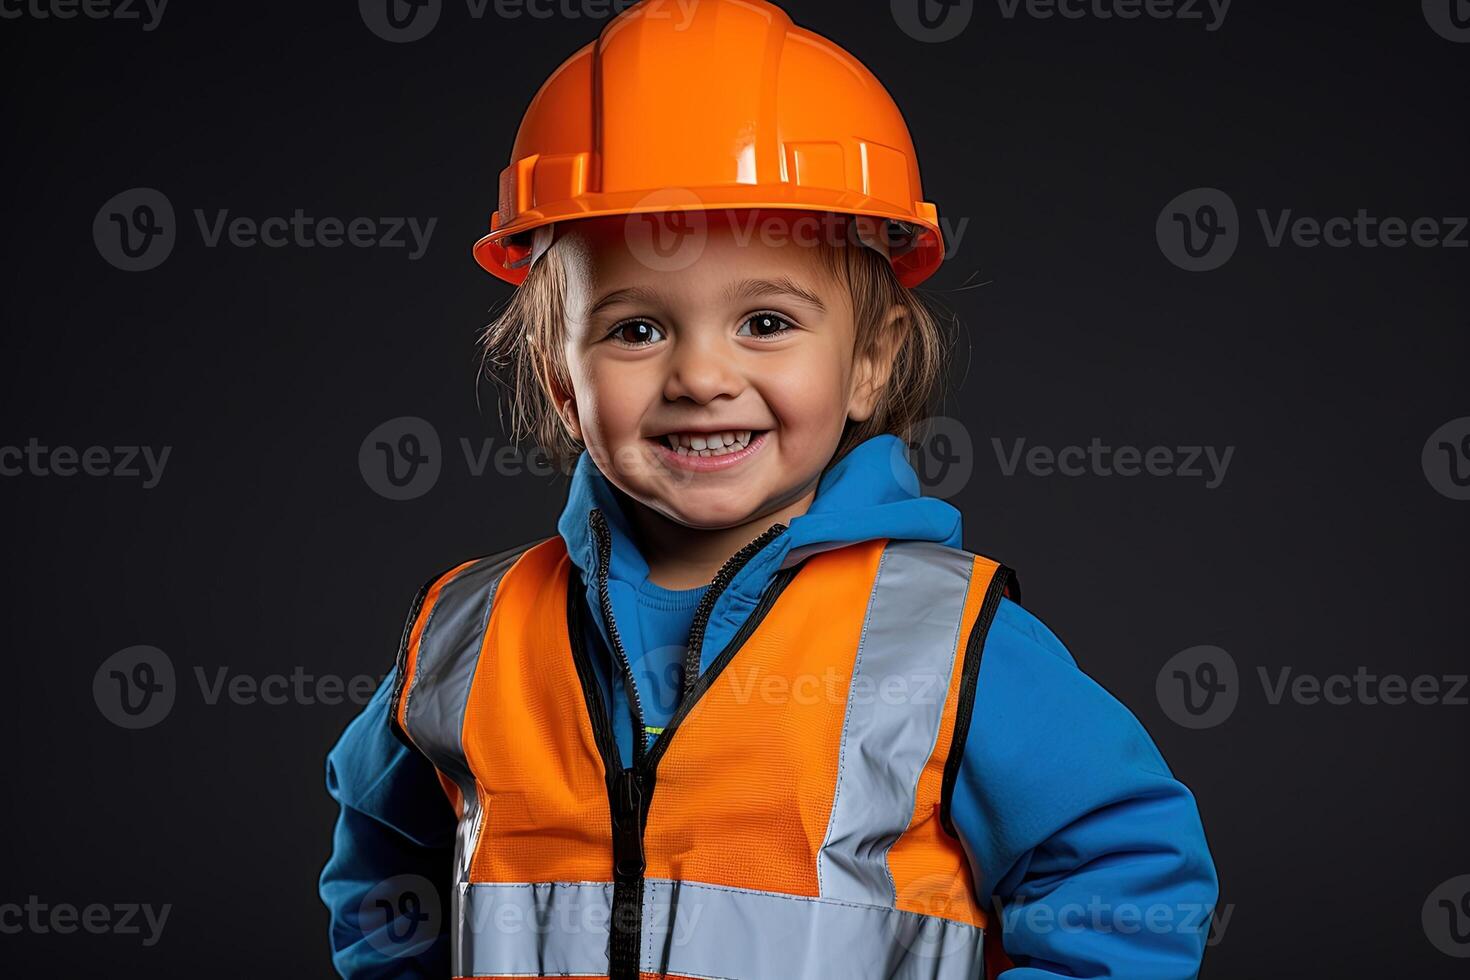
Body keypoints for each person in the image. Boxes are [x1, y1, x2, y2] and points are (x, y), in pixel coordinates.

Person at [319, 2, 1218, 977]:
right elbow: (387, 875)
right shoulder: (469, 631)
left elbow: (1128, 880)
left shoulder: (941, 641)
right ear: (558, 381)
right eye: (635, 330)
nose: (702, 376)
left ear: (870, 362)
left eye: (766, 322)